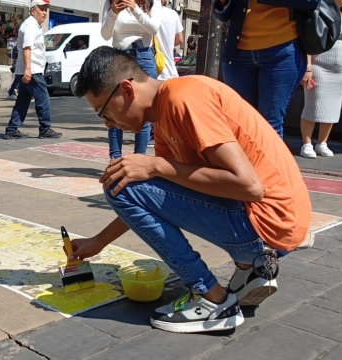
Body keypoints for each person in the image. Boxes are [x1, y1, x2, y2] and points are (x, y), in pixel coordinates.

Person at [72, 46, 312, 333]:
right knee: (130, 182)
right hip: (279, 223)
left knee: (119, 185)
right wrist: (99, 241)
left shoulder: (186, 97)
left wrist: (156, 166)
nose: (109, 124)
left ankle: (213, 302)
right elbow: (156, 199)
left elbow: (250, 186)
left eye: (104, 113)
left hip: (270, 222)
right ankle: (251, 269)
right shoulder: (166, 115)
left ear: (126, 89)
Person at [213, 0, 320, 139]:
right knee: (240, 122)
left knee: (269, 124)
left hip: (281, 53)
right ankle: (245, 161)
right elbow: (223, 14)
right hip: (237, 55)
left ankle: (268, 161)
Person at [299, 0, 342, 158]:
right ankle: (307, 144)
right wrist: (308, 67)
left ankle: (322, 143)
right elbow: (307, 41)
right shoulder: (317, 13)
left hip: (341, 70)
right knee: (313, 105)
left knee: (333, 106)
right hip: (319, 67)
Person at [101, 0, 159, 157]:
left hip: (144, 57)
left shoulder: (151, 1)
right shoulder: (111, 2)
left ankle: (138, 160)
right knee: (114, 109)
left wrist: (135, 8)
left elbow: (154, 29)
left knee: (144, 111)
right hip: (119, 56)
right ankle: (115, 160)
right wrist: (113, 12)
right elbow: (105, 35)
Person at [3, 0, 62, 139]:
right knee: (43, 99)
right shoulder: (30, 25)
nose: (44, 13)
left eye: (45, 10)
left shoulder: (34, 25)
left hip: (28, 70)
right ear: (32, 10)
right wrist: (28, 70)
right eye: (41, 9)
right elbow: (27, 48)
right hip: (32, 71)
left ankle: (12, 129)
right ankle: (45, 128)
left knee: (23, 100)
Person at [156, 0, 184, 80]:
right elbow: (180, 39)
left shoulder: (146, 14)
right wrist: (168, 44)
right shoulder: (173, 14)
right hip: (171, 72)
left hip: (155, 72)